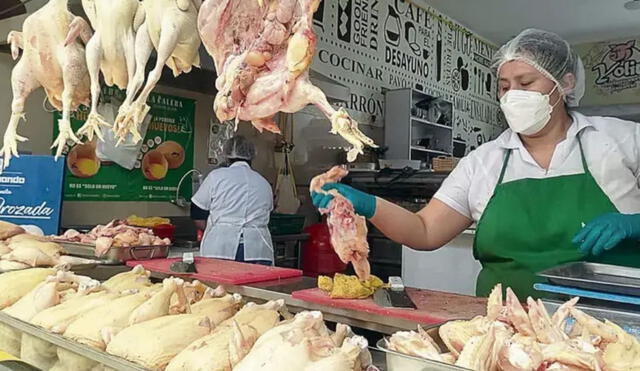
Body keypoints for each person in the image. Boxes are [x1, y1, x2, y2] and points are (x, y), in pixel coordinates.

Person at [312, 29, 640, 299]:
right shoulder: (484, 161)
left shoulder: (623, 140)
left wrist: (634, 223)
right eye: (504, 86)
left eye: (526, 84)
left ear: (565, 84)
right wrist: (367, 204)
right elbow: (424, 231)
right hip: (502, 329)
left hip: (609, 327)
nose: (513, 95)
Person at [191, 135, 274, 265]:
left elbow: (196, 211)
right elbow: (268, 213)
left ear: (226, 155)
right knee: (254, 285)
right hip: (257, 249)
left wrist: (216, 228)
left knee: (219, 285)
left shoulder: (216, 177)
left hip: (221, 247)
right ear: (252, 156)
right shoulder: (264, 183)